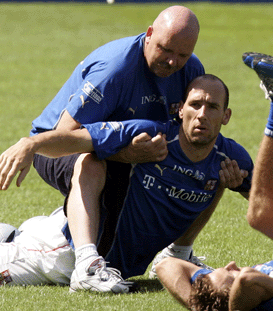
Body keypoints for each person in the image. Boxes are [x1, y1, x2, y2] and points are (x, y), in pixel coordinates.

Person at [0, 6, 216, 293]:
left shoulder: (191, 70)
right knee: (92, 162)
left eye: (182, 54)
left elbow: (186, 134)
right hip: (55, 147)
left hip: (128, 150)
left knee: (207, 162)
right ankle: (86, 265)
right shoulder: (115, 69)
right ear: (149, 35)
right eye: (165, 49)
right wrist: (126, 154)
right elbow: (64, 136)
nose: (172, 61)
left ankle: (177, 254)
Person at [0, 74, 253, 293]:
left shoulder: (230, 157)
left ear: (226, 115)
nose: (202, 115)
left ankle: (14, 234)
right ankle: (21, 239)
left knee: (220, 178)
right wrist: (31, 144)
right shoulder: (150, 135)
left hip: (111, 264)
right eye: (195, 105)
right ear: (180, 109)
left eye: (212, 107)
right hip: (64, 252)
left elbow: (268, 203)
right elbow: (80, 140)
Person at [155, 54, 273, 310]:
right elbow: (246, 282)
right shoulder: (272, 301)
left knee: (258, 216)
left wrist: (201, 305)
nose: (231, 266)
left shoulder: (249, 289)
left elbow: (166, 266)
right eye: (228, 275)